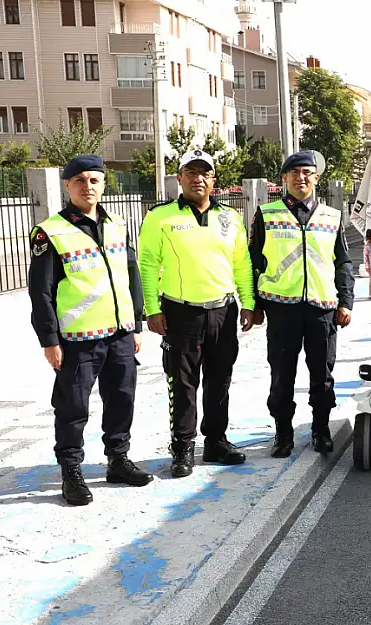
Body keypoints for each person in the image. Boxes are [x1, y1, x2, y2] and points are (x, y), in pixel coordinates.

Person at [28, 155, 152, 505]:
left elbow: (132, 276)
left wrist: (137, 322)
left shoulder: (117, 224)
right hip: (78, 340)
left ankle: (118, 459)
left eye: (94, 180)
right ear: (68, 186)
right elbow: (41, 292)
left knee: (122, 399)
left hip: (120, 334)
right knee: (72, 408)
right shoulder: (50, 231)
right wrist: (49, 340)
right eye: (80, 180)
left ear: (103, 183)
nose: (88, 186)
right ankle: (71, 471)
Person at [139, 150, 255, 477]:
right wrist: (152, 308)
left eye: (205, 172)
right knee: (183, 383)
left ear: (214, 180)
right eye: (191, 172)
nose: (198, 178)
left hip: (223, 311)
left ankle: (216, 441)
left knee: (220, 382)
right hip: (180, 313)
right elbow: (147, 264)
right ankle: (183, 448)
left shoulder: (229, 217)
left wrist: (247, 302)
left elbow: (241, 263)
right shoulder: (160, 217)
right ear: (180, 178)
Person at [249, 151, 355, 458]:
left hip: (322, 309)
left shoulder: (332, 217)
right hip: (281, 309)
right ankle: (283, 435)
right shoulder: (267, 214)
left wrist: (346, 301)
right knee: (282, 375)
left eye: (307, 172)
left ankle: (320, 430)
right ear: (284, 178)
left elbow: (343, 264)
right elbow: (253, 262)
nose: (301, 177)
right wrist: (253, 304)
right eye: (294, 172)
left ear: (316, 178)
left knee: (322, 376)